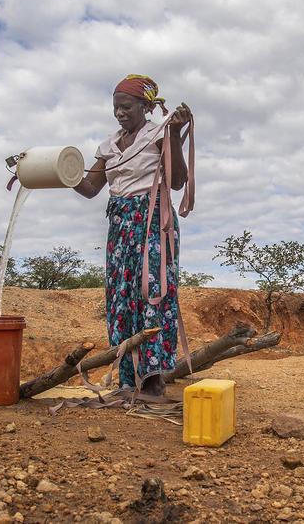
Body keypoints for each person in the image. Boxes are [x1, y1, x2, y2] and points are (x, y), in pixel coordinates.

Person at [74, 74, 194, 397]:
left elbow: (178, 180)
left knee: (152, 293)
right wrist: (64, 170)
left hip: (152, 221)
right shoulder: (109, 146)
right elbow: (89, 188)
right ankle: (128, 380)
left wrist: (173, 134)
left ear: (145, 106)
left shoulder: (158, 133)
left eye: (126, 106)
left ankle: (154, 381)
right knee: (121, 300)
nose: (120, 113)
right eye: (116, 108)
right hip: (120, 226)